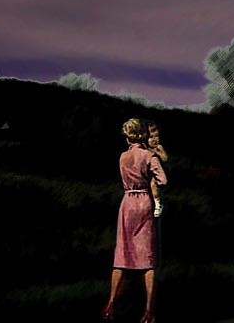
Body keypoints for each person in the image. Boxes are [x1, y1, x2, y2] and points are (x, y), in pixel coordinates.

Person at [102, 118, 167, 323]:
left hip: (127, 203)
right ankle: (148, 311)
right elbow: (163, 180)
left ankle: (111, 304)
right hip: (144, 202)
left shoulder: (123, 157)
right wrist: (151, 180)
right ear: (143, 134)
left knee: (121, 256)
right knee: (148, 260)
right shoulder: (148, 156)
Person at [146, 121, 169, 218]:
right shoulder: (146, 149)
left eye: (157, 136)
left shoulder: (159, 148)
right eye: (151, 137)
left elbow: (165, 158)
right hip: (149, 172)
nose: (154, 139)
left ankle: (157, 203)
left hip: (159, 173)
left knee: (153, 184)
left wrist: (159, 153)